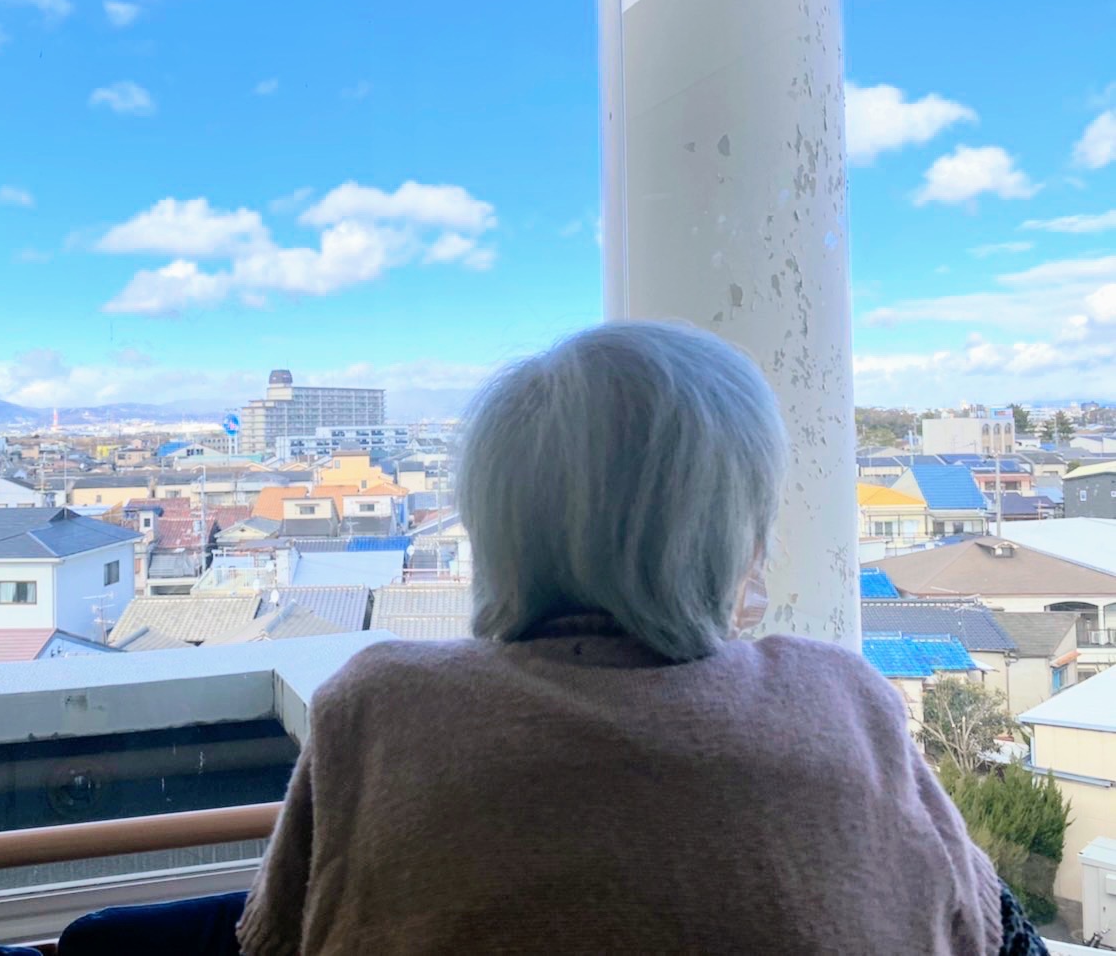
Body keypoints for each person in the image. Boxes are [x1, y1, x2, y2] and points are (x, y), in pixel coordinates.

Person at [237, 321, 1046, 956]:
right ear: (727, 536)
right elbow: (995, 932)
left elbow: (271, 941)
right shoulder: (841, 699)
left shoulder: (380, 709)